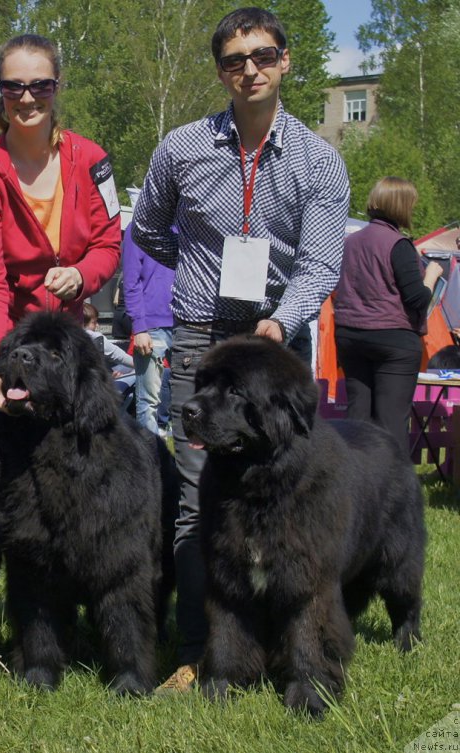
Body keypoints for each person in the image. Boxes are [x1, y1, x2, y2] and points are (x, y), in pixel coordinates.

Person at [131, 6, 350, 691]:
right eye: (233, 60)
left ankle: (294, 640)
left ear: (284, 61)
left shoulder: (319, 160)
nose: (248, 69)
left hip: (277, 342)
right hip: (202, 333)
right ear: (220, 70)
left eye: (261, 55)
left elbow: (319, 265)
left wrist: (278, 321)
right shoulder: (182, 147)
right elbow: (148, 229)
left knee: (289, 496)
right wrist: (201, 270)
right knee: (201, 498)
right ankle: (200, 653)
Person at [0, 33, 121, 692]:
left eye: (40, 85)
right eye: (14, 86)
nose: (27, 97)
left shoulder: (91, 160)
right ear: (0, 92)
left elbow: (110, 239)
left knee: (72, 486)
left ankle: (55, 627)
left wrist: (85, 272)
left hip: (66, 355)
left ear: (57, 89)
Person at [334, 177, 442, 454]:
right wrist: (431, 276)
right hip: (393, 339)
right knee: (390, 422)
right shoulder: (399, 244)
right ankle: (392, 492)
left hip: (350, 334)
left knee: (357, 419)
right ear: (402, 207)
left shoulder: (349, 242)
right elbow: (417, 299)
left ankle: (352, 488)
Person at [122, 220, 174, 437]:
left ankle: (183, 463)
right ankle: (151, 459)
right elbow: (130, 280)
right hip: (152, 325)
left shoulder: (187, 223)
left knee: (186, 398)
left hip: (189, 324)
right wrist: (140, 327)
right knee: (148, 402)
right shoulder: (139, 227)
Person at [82, 302, 134, 371]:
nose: (97, 325)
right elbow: (119, 356)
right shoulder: (96, 338)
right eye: (94, 322)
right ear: (83, 324)